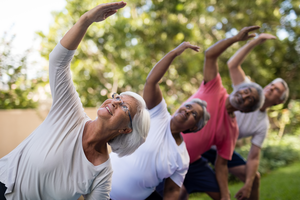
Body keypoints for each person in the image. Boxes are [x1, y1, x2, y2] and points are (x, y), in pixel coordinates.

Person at [0, 2, 151, 200]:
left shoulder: (102, 173)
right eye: (117, 97)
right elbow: (58, 62)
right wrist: (86, 20)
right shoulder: (70, 112)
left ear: (126, 129)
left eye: (124, 106)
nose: (114, 102)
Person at [109, 42, 211, 200]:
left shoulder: (182, 157)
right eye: (188, 106)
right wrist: (175, 52)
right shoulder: (158, 113)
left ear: (193, 128)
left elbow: (171, 191)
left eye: (194, 115)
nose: (188, 110)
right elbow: (151, 81)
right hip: (101, 186)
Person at [179, 26, 265, 200]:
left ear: (246, 110)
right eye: (246, 90)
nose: (244, 95)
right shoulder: (214, 87)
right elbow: (210, 54)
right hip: (166, 149)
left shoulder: (231, 130)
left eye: (250, 99)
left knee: (220, 196)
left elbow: (221, 164)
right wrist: (235, 39)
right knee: (177, 194)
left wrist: (226, 195)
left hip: (192, 162)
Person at [202, 33, 289, 200]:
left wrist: (248, 184)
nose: (271, 88)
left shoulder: (262, 124)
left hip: (221, 150)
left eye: (276, 90)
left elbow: (254, 156)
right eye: (271, 84)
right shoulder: (246, 90)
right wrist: (256, 42)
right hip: (201, 139)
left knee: (254, 178)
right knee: (181, 190)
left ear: (278, 101)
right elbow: (233, 64)